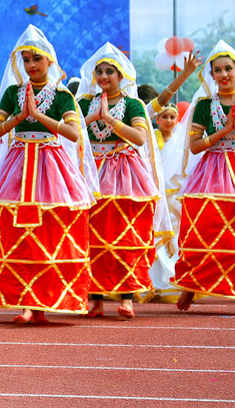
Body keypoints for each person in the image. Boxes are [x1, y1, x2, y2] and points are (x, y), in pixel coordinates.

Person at [0, 25, 98, 324]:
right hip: (18, 165)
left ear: (50, 60)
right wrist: (20, 118)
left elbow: (73, 133)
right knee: (19, 233)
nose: (32, 65)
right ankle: (25, 300)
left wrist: (40, 117)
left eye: (37, 58)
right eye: (26, 60)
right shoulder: (13, 93)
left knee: (51, 232)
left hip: (52, 167)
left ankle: (45, 300)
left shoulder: (62, 95)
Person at [167, 41, 235, 316]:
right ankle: (191, 285)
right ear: (211, 75)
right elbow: (195, 146)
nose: (224, 74)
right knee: (206, 227)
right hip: (212, 170)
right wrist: (222, 133)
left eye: (228, 68)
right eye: (218, 70)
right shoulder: (205, 106)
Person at [77, 43, 171, 319]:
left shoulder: (132, 104)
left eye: (110, 71)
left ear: (121, 76)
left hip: (124, 175)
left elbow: (140, 137)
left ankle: (126, 296)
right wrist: (94, 117)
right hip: (91, 174)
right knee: (90, 236)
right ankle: (94, 298)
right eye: (99, 71)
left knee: (124, 235)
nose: (104, 76)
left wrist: (110, 120)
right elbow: (71, 136)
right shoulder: (83, 103)